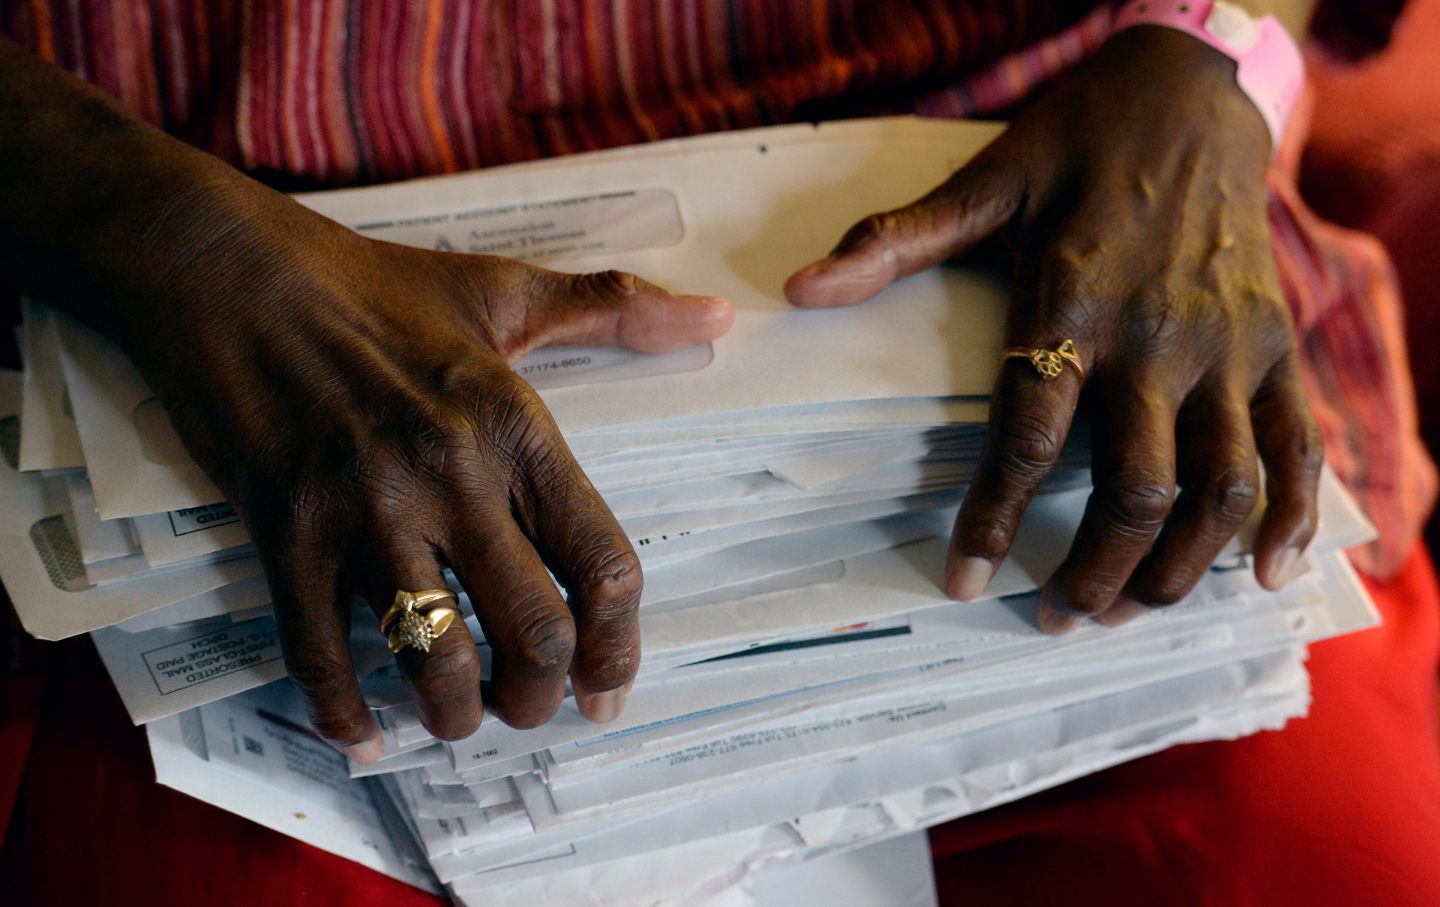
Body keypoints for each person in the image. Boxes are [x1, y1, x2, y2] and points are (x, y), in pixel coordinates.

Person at [1, 1, 1437, 904]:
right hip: (205, 263)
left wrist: (1217, 51)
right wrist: (167, 238)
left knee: (1341, 857)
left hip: (1045, 198)